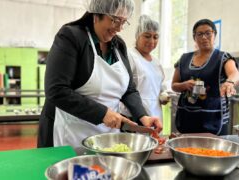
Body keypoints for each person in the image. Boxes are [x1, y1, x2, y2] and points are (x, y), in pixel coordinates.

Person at [37, 0, 162, 148]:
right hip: (70, 134)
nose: (119, 28)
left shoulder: (118, 45)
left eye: (124, 22)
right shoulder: (71, 37)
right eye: (115, 20)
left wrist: (142, 116)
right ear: (96, 15)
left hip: (107, 137)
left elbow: (129, 89)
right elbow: (56, 90)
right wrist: (102, 113)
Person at [171, 19, 239, 135]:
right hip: (187, 117)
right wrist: (184, 85)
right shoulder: (184, 59)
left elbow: (234, 73)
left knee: (214, 151)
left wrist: (230, 83)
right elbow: (174, 85)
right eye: (200, 34)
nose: (204, 37)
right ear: (194, 37)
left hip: (214, 118)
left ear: (214, 35)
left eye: (208, 33)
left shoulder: (223, 57)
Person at [120, 15, 169, 128]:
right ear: (138, 36)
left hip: (155, 116)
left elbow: (159, 87)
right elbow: (124, 88)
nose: (152, 41)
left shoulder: (156, 62)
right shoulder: (129, 56)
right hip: (133, 116)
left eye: (155, 37)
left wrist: (164, 95)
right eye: (147, 36)